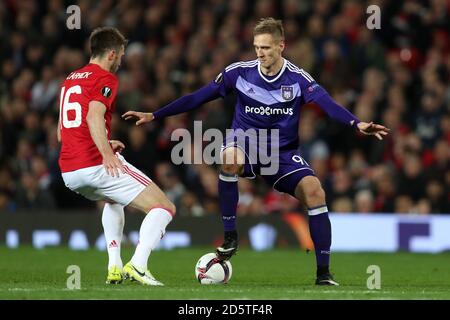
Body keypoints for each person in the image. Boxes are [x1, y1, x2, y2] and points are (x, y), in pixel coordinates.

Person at [123, 18, 389, 285]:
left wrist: (358, 123)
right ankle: (230, 236)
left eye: (266, 48)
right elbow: (198, 96)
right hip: (244, 143)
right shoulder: (239, 73)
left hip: (281, 153)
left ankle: (323, 274)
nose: (260, 53)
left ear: (281, 46)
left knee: (315, 191)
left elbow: (327, 104)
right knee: (228, 159)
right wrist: (155, 114)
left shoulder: (297, 79)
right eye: (256, 47)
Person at [58, 27, 175, 286]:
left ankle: (114, 267)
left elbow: (62, 131)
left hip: (69, 171)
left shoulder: (71, 79)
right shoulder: (105, 78)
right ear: (111, 53)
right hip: (94, 164)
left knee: (113, 199)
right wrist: (105, 153)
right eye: (121, 55)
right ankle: (139, 265)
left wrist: (104, 141)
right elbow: (93, 116)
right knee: (164, 207)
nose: (121, 60)